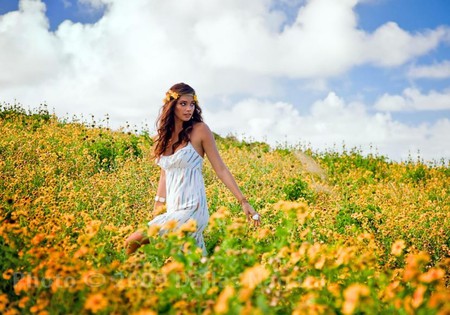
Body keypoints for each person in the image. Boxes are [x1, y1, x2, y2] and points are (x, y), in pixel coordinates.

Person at [125, 82, 261, 256]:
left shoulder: (200, 131)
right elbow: (165, 175)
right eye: (183, 104)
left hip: (193, 210)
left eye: (192, 104)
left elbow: (221, 169)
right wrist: (157, 209)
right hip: (174, 209)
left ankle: (120, 279)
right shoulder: (160, 138)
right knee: (193, 267)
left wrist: (243, 201)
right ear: (171, 105)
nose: (189, 109)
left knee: (132, 241)